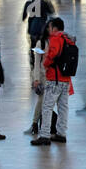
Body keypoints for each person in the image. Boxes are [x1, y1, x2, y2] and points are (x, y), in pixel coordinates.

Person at [32, 18, 74, 146]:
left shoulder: (55, 38)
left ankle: (44, 135)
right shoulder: (68, 39)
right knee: (63, 107)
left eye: (50, 27)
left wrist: (46, 63)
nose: (49, 30)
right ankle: (61, 133)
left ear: (54, 28)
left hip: (54, 79)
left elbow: (53, 54)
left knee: (47, 107)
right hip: (66, 79)